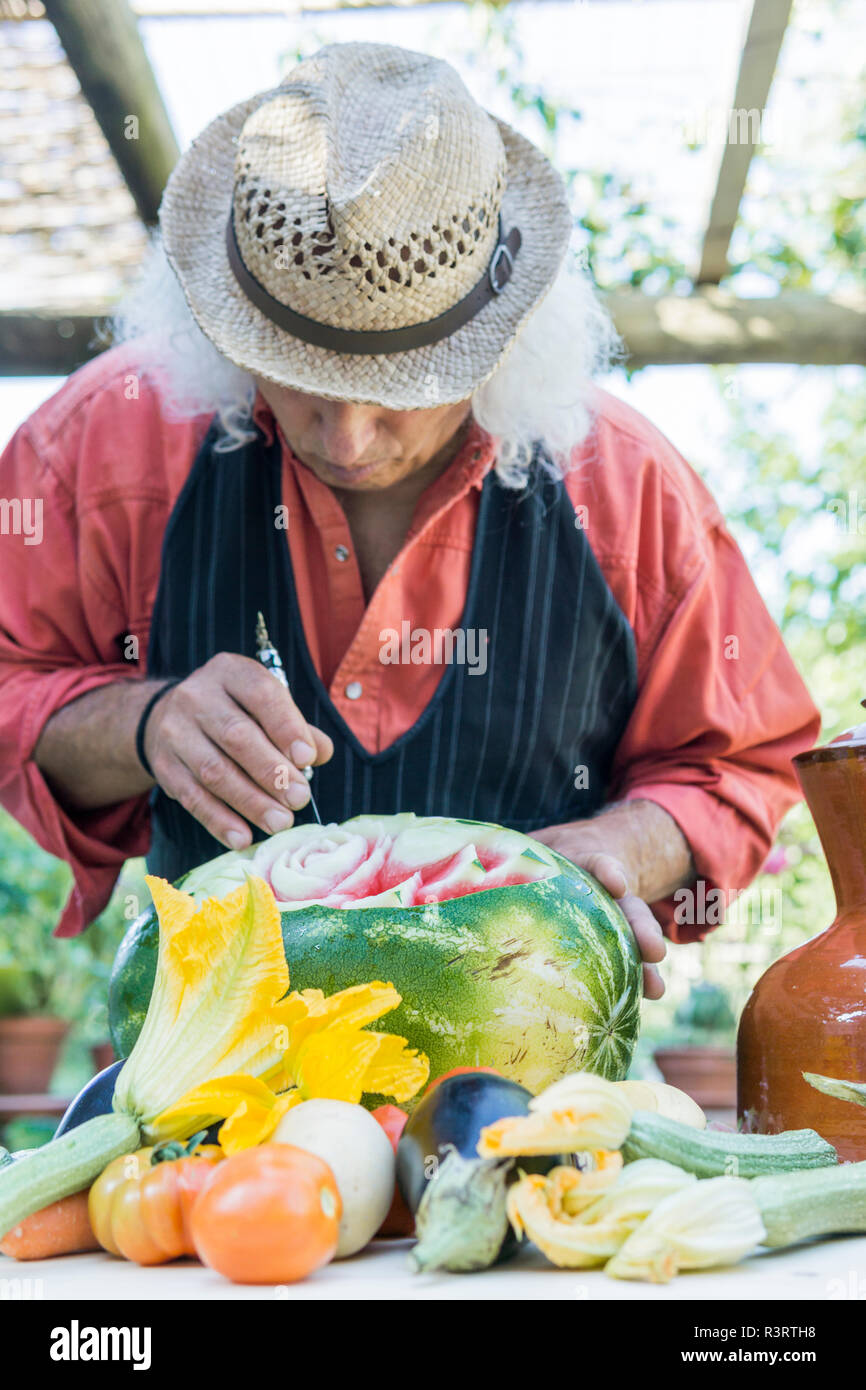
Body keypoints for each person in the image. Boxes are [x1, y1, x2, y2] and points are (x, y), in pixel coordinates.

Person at [0, 43, 820, 998]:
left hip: (534, 1092)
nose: (346, 438)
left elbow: (742, 765)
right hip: (215, 1073)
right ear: (223, 328)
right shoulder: (105, 446)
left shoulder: (630, 489)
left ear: (500, 341)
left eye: (400, 387)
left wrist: (624, 847)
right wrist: (144, 724)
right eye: (301, 375)